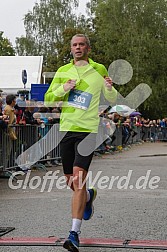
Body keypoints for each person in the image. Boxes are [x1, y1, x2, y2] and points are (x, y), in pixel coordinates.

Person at [44, 34, 117, 252]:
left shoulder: (99, 69)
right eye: (74, 45)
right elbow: (48, 99)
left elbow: (111, 100)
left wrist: (110, 88)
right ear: (71, 49)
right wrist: (63, 89)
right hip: (67, 129)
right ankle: (88, 195)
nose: (78, 47)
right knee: (72, 183)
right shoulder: (63, 71)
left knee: (78, 177)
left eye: (81, 44)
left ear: (88, 48)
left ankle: (73, 233)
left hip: (88, 130)